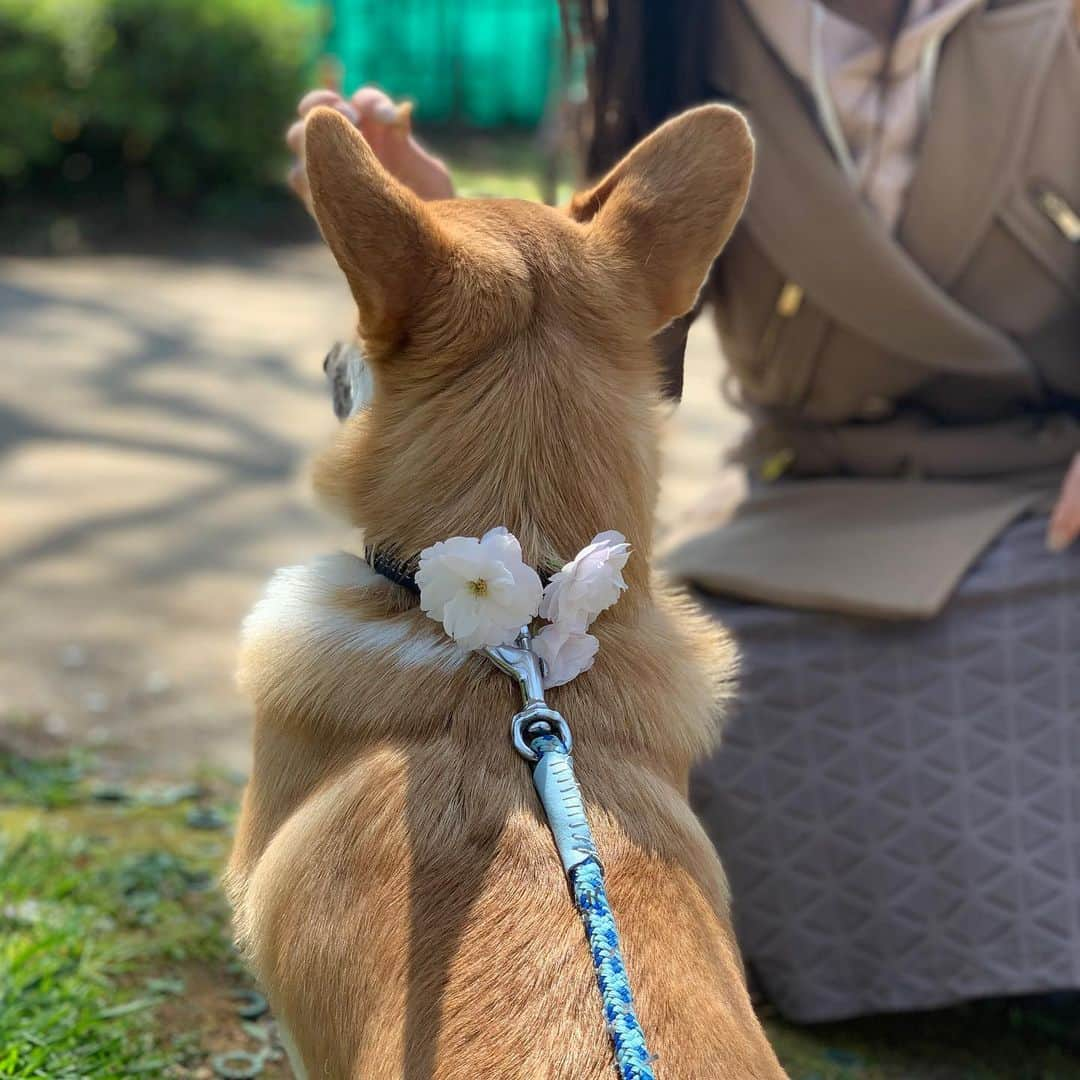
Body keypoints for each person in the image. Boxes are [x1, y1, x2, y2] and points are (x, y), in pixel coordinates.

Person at [286, 0, 1080, 1023]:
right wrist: (450, 251)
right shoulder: (680, 26)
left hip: (1045, 492)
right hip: (813, 514)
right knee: (655, 702)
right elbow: (620, 349)